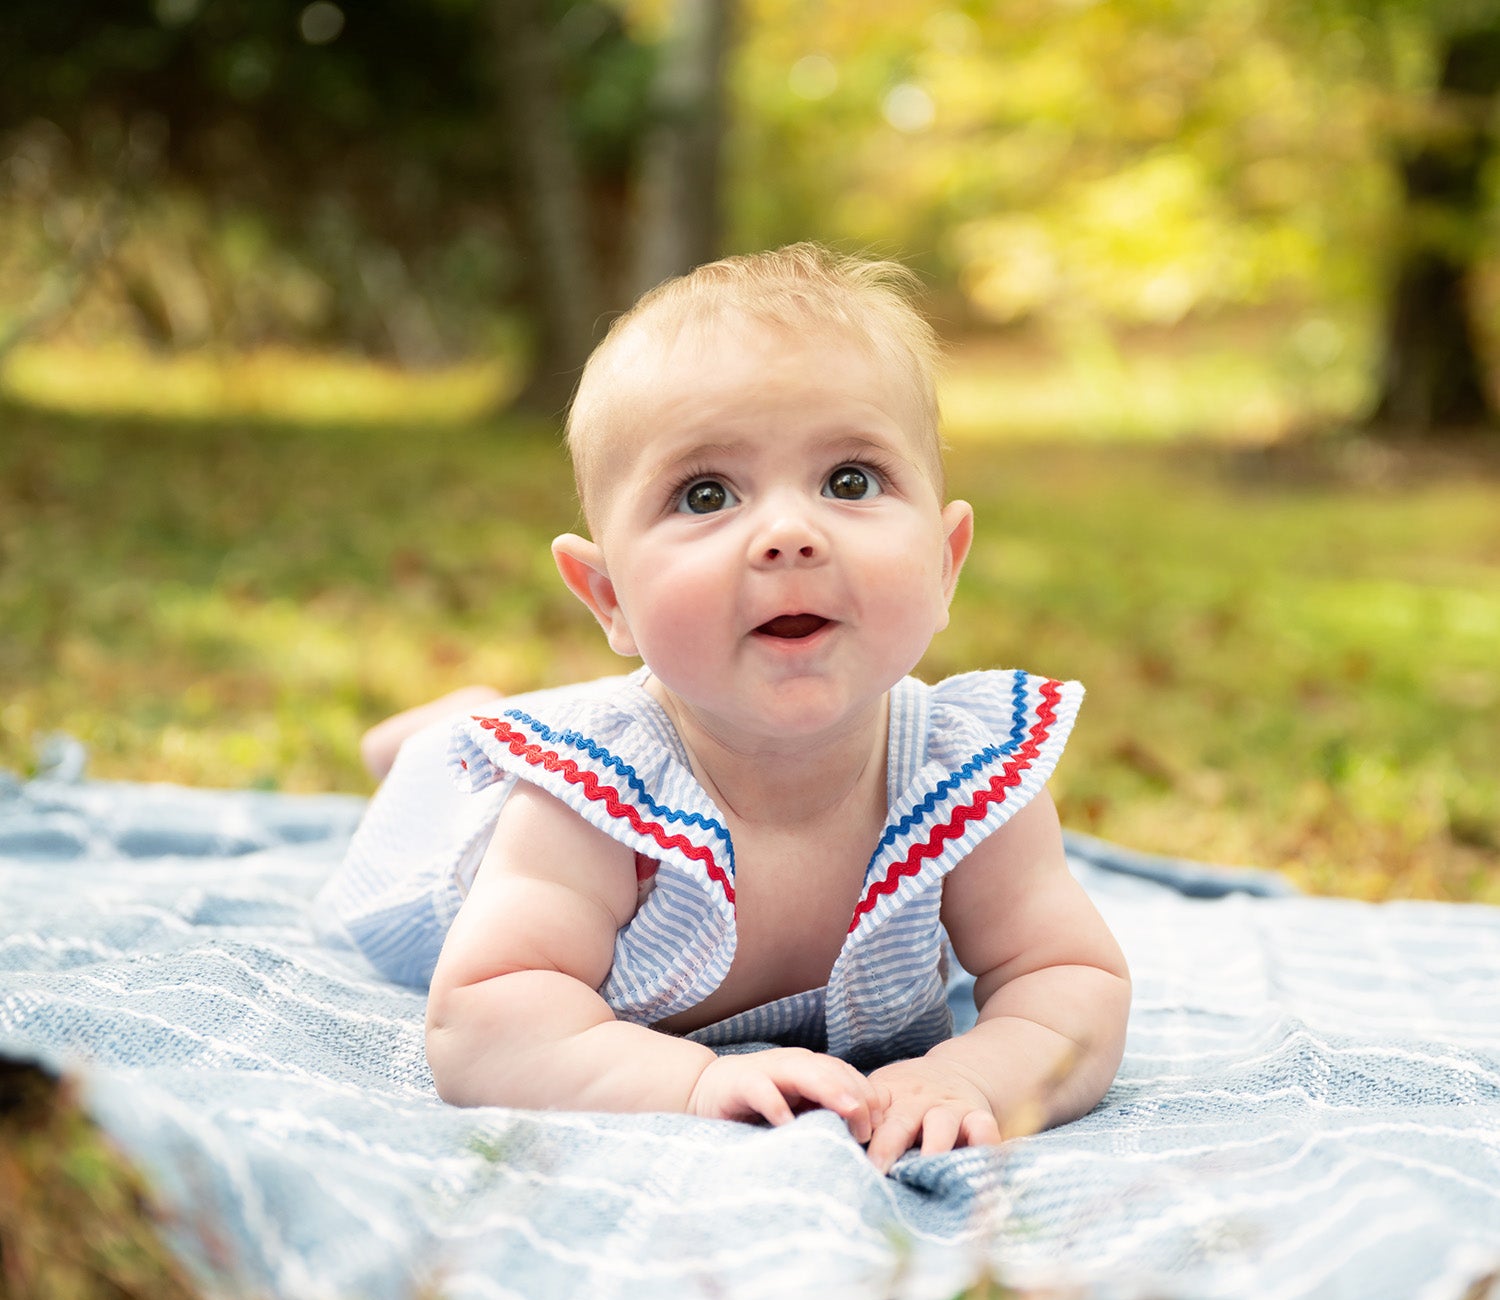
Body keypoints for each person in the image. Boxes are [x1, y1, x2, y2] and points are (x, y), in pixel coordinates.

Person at [323, 243, 1130, 1175]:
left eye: (850, 480)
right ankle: (437, 739)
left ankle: (464, 720)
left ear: (946, 564)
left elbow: (1070, 980)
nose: (790, 534)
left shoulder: (966, 776)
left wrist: (976, 1077)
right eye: (706, 494)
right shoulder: (588, 800)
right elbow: (483, 1019)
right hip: (452, 849)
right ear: (608, 596)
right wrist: (687, 1084)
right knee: (440, 775)